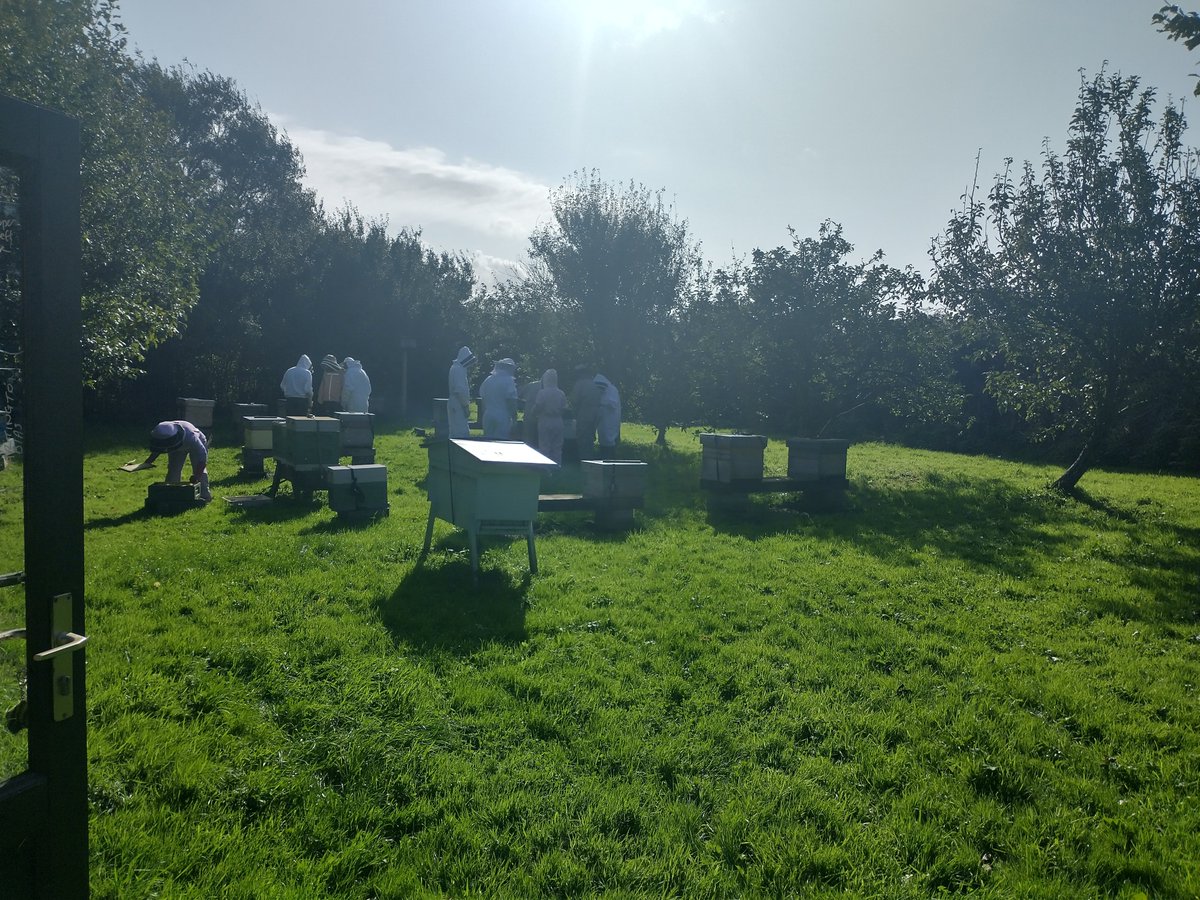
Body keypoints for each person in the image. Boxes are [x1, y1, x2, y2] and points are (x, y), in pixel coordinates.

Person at [121, 420, 212, 502]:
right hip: (177, 449)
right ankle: (171, 495)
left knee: (199, 470)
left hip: (197, 442)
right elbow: (159, 448)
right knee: (173, 470)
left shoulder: (191, 437)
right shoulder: (163, 433)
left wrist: (197, 475)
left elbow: (202, 458)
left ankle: (205, 496)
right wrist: (148, 461)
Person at [531, 368, 567, 464]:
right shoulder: (561, 393)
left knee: (544, 445)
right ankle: (557, 466)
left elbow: (538, 406)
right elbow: (564, 408)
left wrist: (533, 413)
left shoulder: (542, 393)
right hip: (558, 420)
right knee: (557, 446)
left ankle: (545, 468)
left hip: (545, 420)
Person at [480, 358, 519, 439]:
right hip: (502, 416)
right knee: (501, 441)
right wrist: (514, 418)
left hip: (488, 415)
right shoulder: (509, 381)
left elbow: (483, 399)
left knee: (487, 441)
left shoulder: (488, 380)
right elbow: (511, 401)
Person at [571, 365, 600, 459]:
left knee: (582, 440)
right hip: (595, 415)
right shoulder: (594, 384)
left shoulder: (580, 384)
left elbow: (575, 400)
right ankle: (590, 460)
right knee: (590, 439)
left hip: (584, 415)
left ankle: (583, 461)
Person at [448, 346, 476, 438]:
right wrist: (465, 407)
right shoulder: (458, 370)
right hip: (458, 404)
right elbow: (459, 391)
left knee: (455, 430)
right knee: (461, 432)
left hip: (455, 403)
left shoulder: (456, 368)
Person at [594, 374, 621, 459]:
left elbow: (613, 404)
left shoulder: (612, 390)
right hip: (603, 421)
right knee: (603, 440)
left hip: (610, 420)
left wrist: (602, 403)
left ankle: (609, 460)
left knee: (609, 441)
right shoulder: (606, 390)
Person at [519, 377, 543, 447]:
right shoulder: (545, 387)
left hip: (529, 410)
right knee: (539, 435)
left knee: (528, 435)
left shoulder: (530, 385)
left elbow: (520, 396)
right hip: (540, 412)